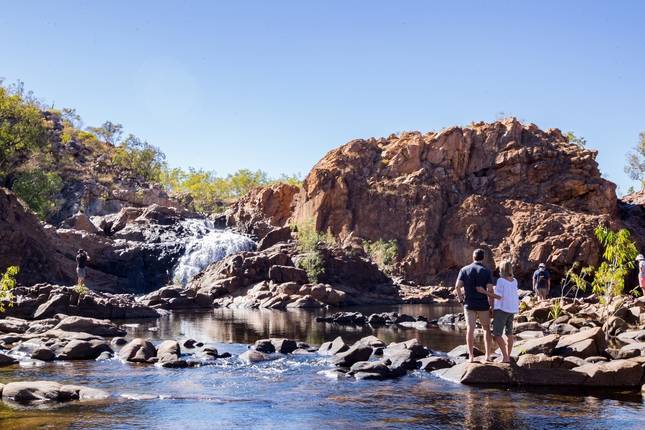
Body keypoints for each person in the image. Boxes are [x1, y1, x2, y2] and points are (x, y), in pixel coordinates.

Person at [455, 249, 502, 362]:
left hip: (469, 305)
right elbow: (490, 290)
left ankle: (471, 356)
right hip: (483, 305)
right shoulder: (486, 271)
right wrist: (491, 306)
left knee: (470, 329)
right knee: (486, 329)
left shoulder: (464, 269)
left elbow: (457, 286)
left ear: (473, 257)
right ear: (483, 258)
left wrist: (461, 300)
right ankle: (487, 355)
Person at [492, 259, 519, 363]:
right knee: (509, 333)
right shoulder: (514, 280)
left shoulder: (500, 280)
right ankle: (508, 356)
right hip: (512, 309)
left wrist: (485, 292)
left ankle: (506, 357)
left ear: (501, 269)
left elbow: (499, 296)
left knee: (497, 334)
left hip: (502, 309)